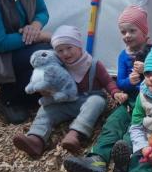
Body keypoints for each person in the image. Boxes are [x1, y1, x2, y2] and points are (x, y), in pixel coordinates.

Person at [63, 5, 152, 172]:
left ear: (144, 32)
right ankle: (97, 159)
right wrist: (129, 82)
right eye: (123, 32)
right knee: (113, 123)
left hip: (149, 104)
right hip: (130, 102)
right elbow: (120, 83)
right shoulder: (123, 56)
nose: (127, 35)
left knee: (134, 130)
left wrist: (148, 68)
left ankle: (126, 162)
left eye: (132, 31)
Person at [12, 25, 128, 159]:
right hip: (67, 102)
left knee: (97, 101)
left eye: (69, 48)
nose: (66, 53)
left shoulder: (93, 64)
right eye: (60, 51)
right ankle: (36, 138)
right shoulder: (58, 67)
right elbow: (51, 84)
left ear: (79, 46)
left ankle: (75, 134)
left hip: (89, 100)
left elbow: (107, 82)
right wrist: (46, 92)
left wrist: (115, 93)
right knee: (46, 109)